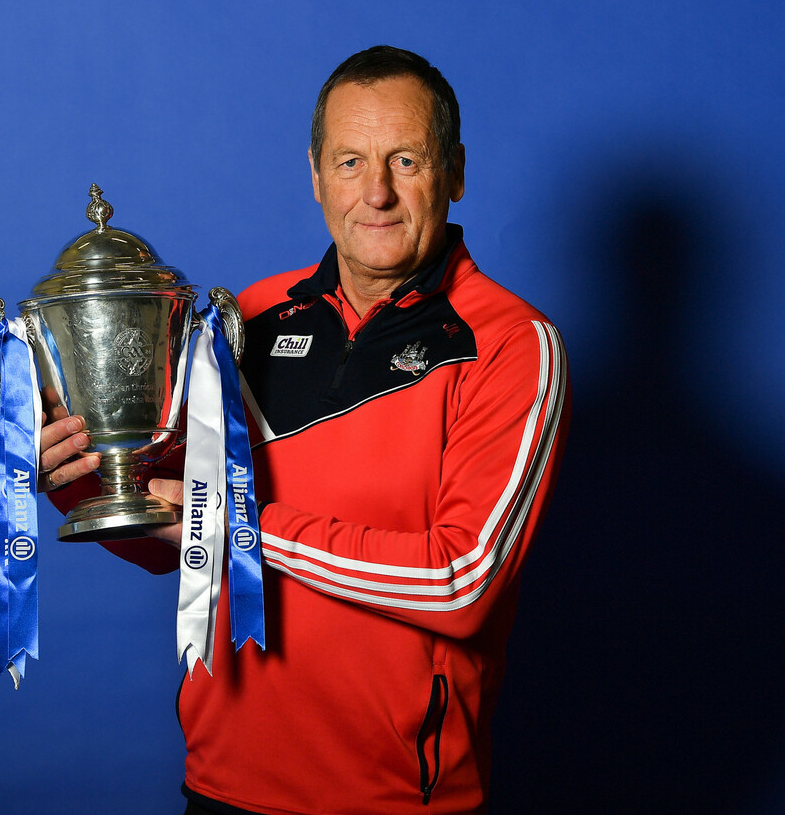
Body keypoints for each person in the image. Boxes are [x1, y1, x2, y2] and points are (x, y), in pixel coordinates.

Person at [39, 46, 571, 815]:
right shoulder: (249, 316)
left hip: (395, 800)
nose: (377, 192)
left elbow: (460, 583)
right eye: (350, 162)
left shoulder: (511, 344)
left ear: (454, 173)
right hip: (220, 785)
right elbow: (176, 541)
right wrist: (85, 478)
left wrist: (238, 523)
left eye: (406, 161)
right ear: (317, 175)